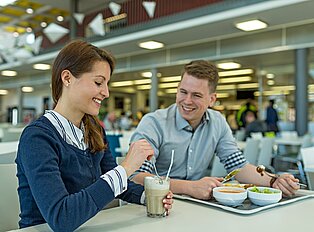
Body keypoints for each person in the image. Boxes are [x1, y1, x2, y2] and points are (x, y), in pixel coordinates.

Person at [15, 40, 173, 231]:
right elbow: (62, 218)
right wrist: (126, 168)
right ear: (67, 78)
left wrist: (149, 197)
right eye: (98, 82)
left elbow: (113, 182)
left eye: (107, 84)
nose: (106, 93)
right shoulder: (37, 138)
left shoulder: (94, 130)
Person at [130, 60, 300, 200]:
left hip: (194, 206)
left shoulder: (217, 122)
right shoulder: (154, 123)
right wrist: (190, 187)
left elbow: (238, 166)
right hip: (154, 203)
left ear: (212, 99)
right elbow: (136, 177)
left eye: (196, 95)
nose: (187, 101)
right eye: (183, 92)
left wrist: (274, 181)